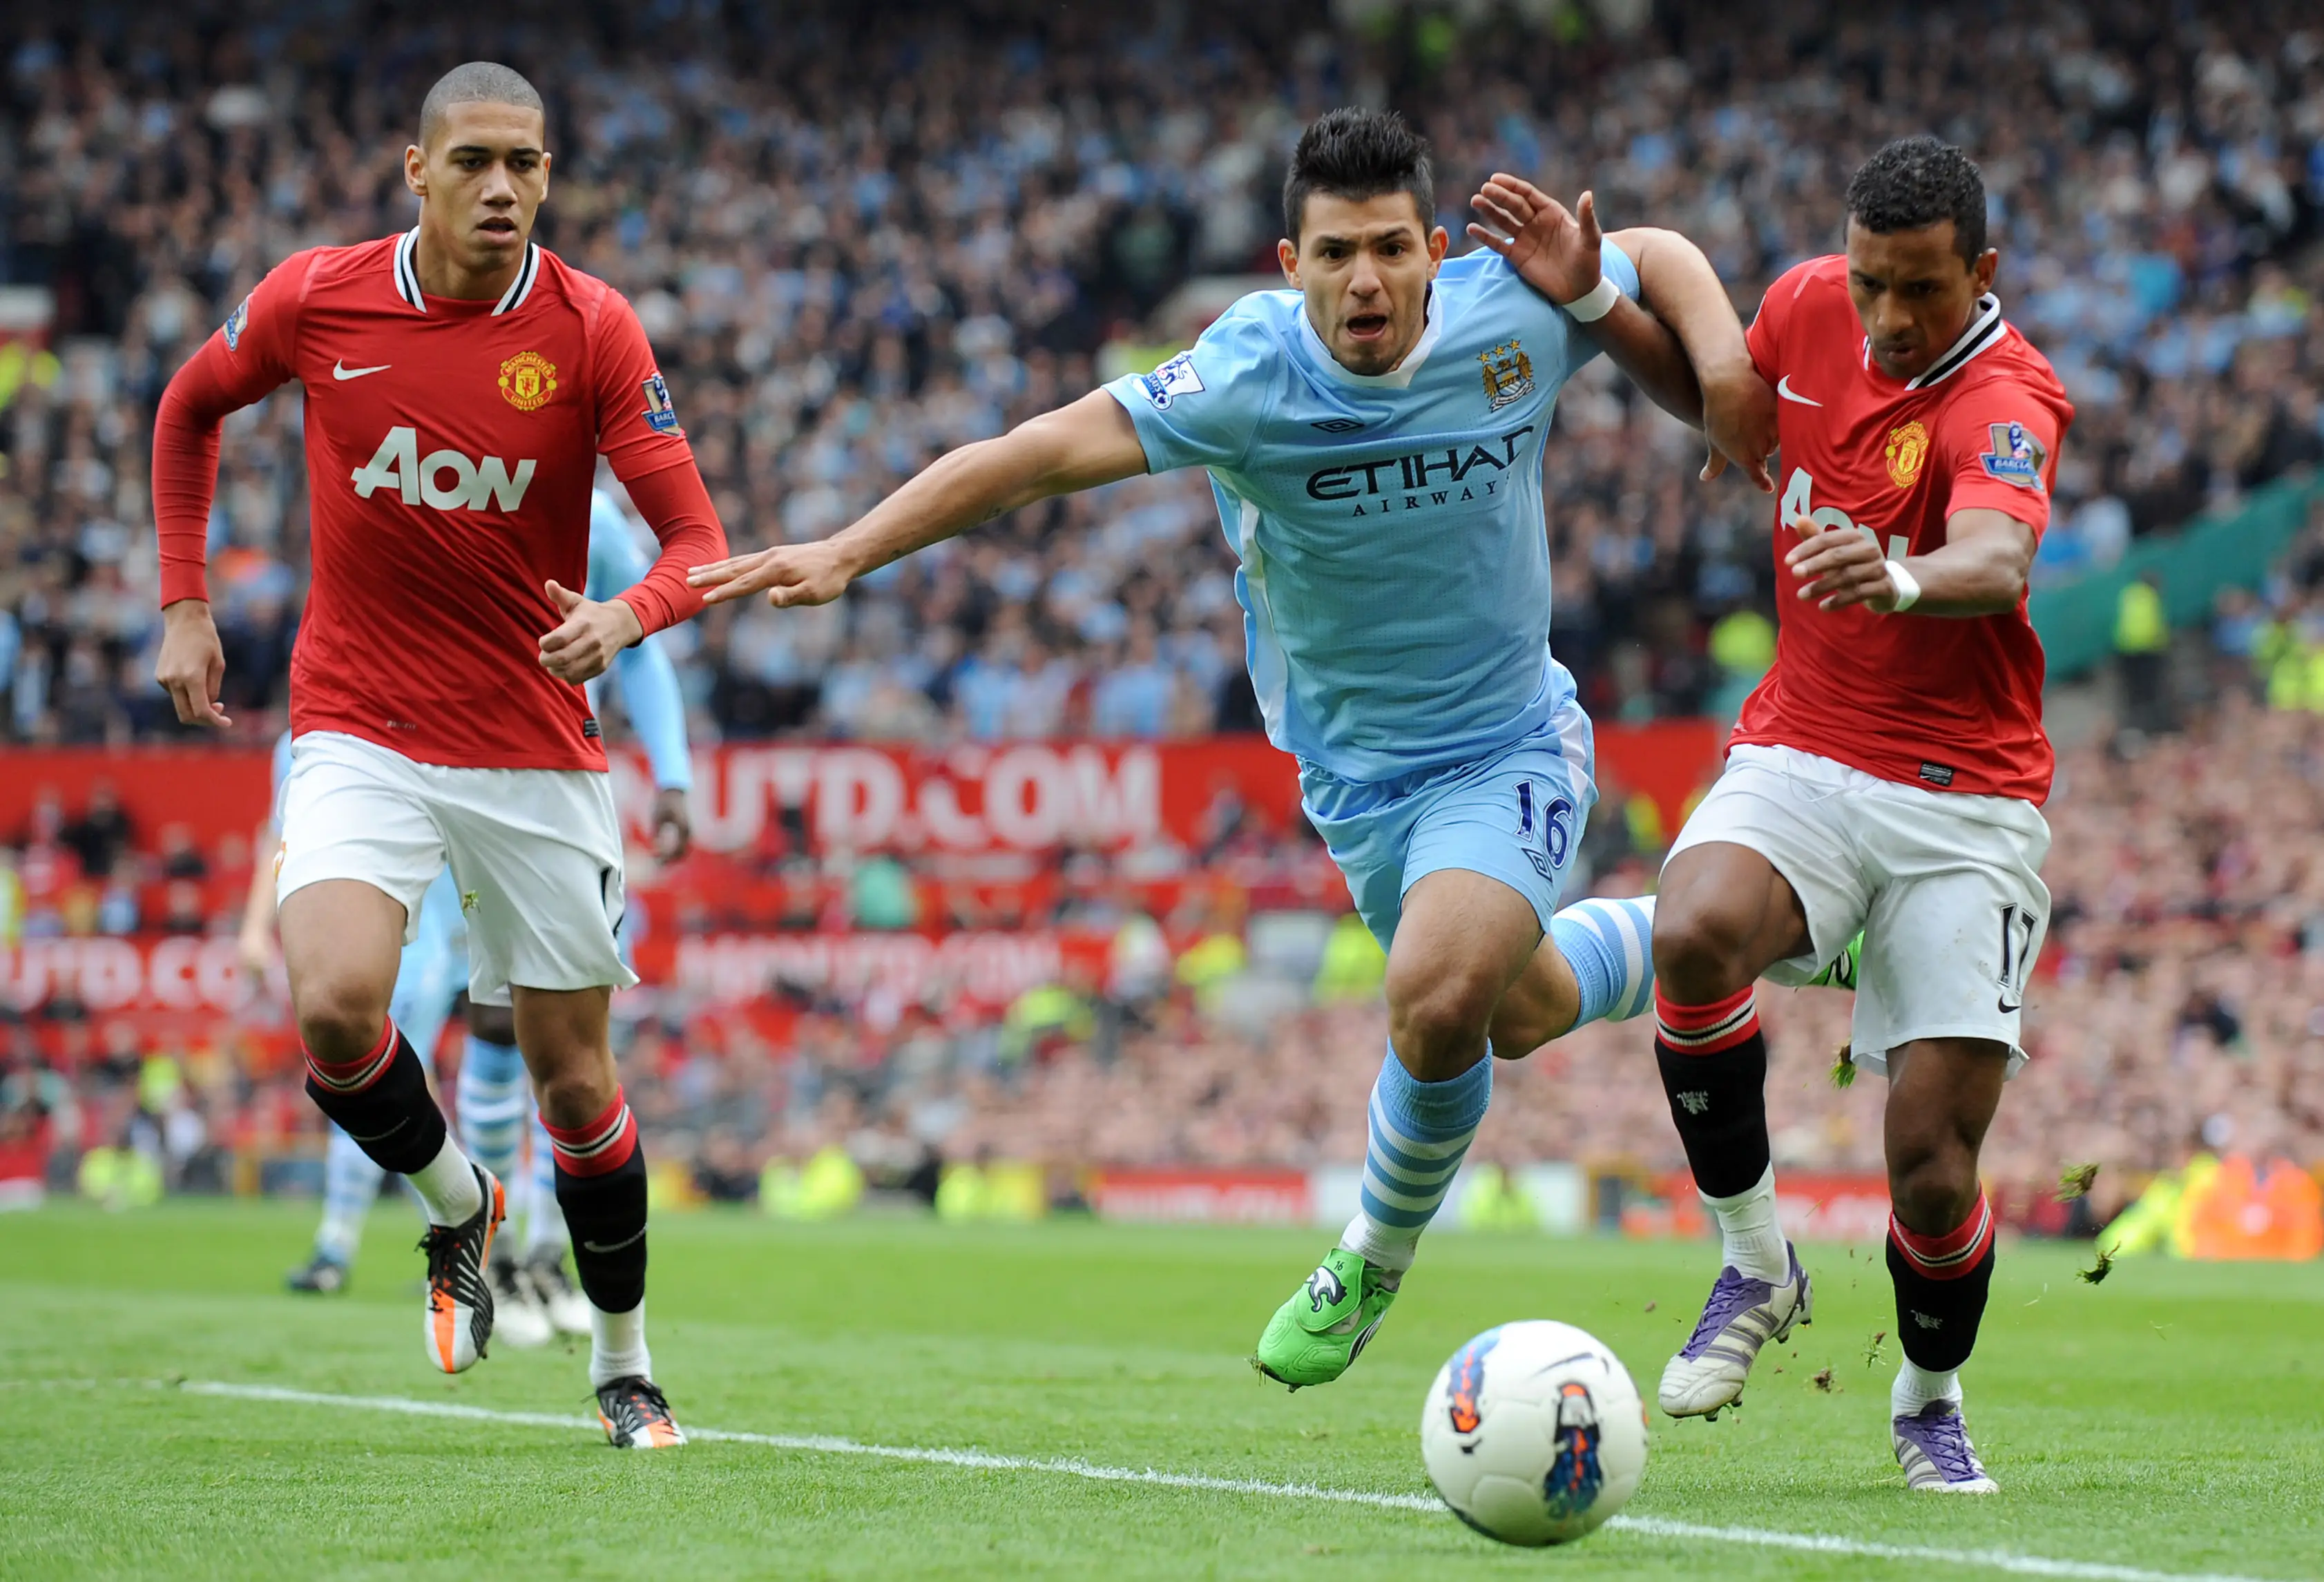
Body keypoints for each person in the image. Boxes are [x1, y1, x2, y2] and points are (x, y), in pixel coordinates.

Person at [690, 108, 1775, 1389]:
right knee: (1516, 1007)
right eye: (1332, 256)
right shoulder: (1245, 374)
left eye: (1386, 249)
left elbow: (1660, 252)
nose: (1362, 281)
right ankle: (1760, 931)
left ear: (1436, 250)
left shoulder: (1514, 310)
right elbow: (1032, 458)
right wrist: (848, 548)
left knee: (1435, 994)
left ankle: (1369, 1254)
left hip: (1509, 740)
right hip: (1356, 780)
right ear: (1287, 261)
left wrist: (1725, 377)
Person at [151, 61, 724, 1449]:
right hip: (361, 724)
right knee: (339, 1003)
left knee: (577, 1081)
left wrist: (624, 610)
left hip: (533, 744)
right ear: (416, 171)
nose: (502, 189)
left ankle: (622, 1356)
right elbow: (187, 406)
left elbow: (697, 545)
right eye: (473, 161)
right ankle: (464, 1208)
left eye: (525, 164)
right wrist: (183, 600)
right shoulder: (318, 297)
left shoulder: (591, 330)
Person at [1645, 137, 2073, 1493]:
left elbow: (1996, 552)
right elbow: (1733, 410)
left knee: (1929, 1169)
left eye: (1922, 291)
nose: (1887, 317)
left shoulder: (2007, 392)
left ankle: (1925, 1394)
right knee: (1691, 927)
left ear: (1980, 272)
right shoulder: (1806, 300)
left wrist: (1893, 575)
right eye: (1873, 281)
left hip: (1967, 801)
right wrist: (1603, 312)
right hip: (1807, 750)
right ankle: (1752, 1257)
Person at [457, 486, 695, 1344]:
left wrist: (672, 774)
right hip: (450, 775)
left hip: (560, 790)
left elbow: (639, 640)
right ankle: (495, 1253)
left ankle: (543, 1252)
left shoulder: (586, 512)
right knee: (492, 1020)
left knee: (571, 1041)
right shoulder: (442, 481)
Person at [239, 732, 467, 1297]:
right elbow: (280, 834)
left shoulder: (411, 714)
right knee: (398, 1091)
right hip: (337, 941)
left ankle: (342, 1248)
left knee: (373, 1088)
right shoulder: (291, 743)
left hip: (417, 943)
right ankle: (455, 1241)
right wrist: (252, 926)